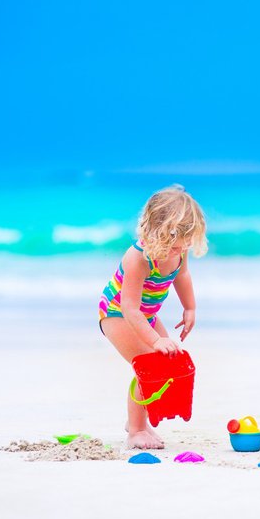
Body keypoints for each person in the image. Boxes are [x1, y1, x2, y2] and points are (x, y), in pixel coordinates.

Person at [98, 185, 208, 449]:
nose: (178, 251)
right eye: (172, 246)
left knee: (166, 366)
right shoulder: (138, 259)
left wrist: (189, 307)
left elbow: (182, 276)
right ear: (153, 233)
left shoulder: (178, 252)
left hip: (144, 314)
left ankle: (138, 422)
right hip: (117, 313)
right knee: (150, 367)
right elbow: (130, 309)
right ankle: (135, 430)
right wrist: (155, 340)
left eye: (184, 245)